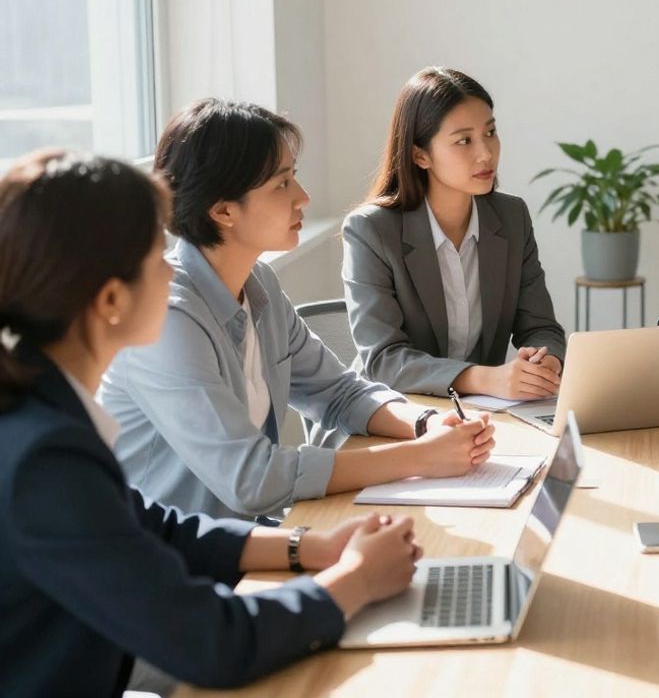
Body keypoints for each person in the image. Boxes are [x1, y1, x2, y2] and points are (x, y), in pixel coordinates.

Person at [0, 150, 423, 695]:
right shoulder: (44, 459)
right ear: (109, 299)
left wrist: (308, 547)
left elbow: (160, 529)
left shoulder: (46, 415)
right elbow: (213, 644)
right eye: (158, 257)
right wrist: (358, 579)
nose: (174, 268)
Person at [100, 99, 495, 521]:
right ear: (222, 210)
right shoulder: (167, 319)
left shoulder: (258, 286)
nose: (303, 198)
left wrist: (426, 424)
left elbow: (338, 393)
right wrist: (418, 458)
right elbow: (251, 480)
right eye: (282, 184)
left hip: (247, 542)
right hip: (181, 567)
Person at [344, 67, 565, 400]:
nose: (486, 153)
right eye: (464, 140)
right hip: (396, 413)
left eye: (490, 133)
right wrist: (484, 380)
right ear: (420, 154)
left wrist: (543, 361)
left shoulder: (511, 217)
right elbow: (384, 360)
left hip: (482, 415)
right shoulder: (371, 230)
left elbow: (540, 326)